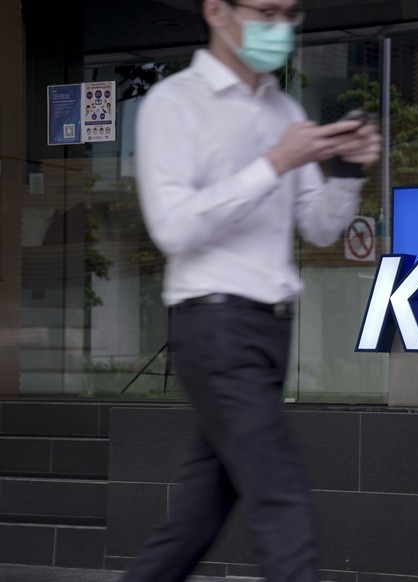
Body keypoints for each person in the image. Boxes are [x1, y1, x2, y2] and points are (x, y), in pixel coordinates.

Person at [124, 0, 380, 580]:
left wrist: (349, 169)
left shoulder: (283, 110)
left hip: (270, 330)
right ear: (217, 10)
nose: (280, 27)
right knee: (281, 498)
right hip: (213, 327)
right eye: (266, 10)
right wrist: (273, 163)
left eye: (291, 13)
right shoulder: (174, 104)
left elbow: (318, 225)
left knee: (194, 519)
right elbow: (173, 227)